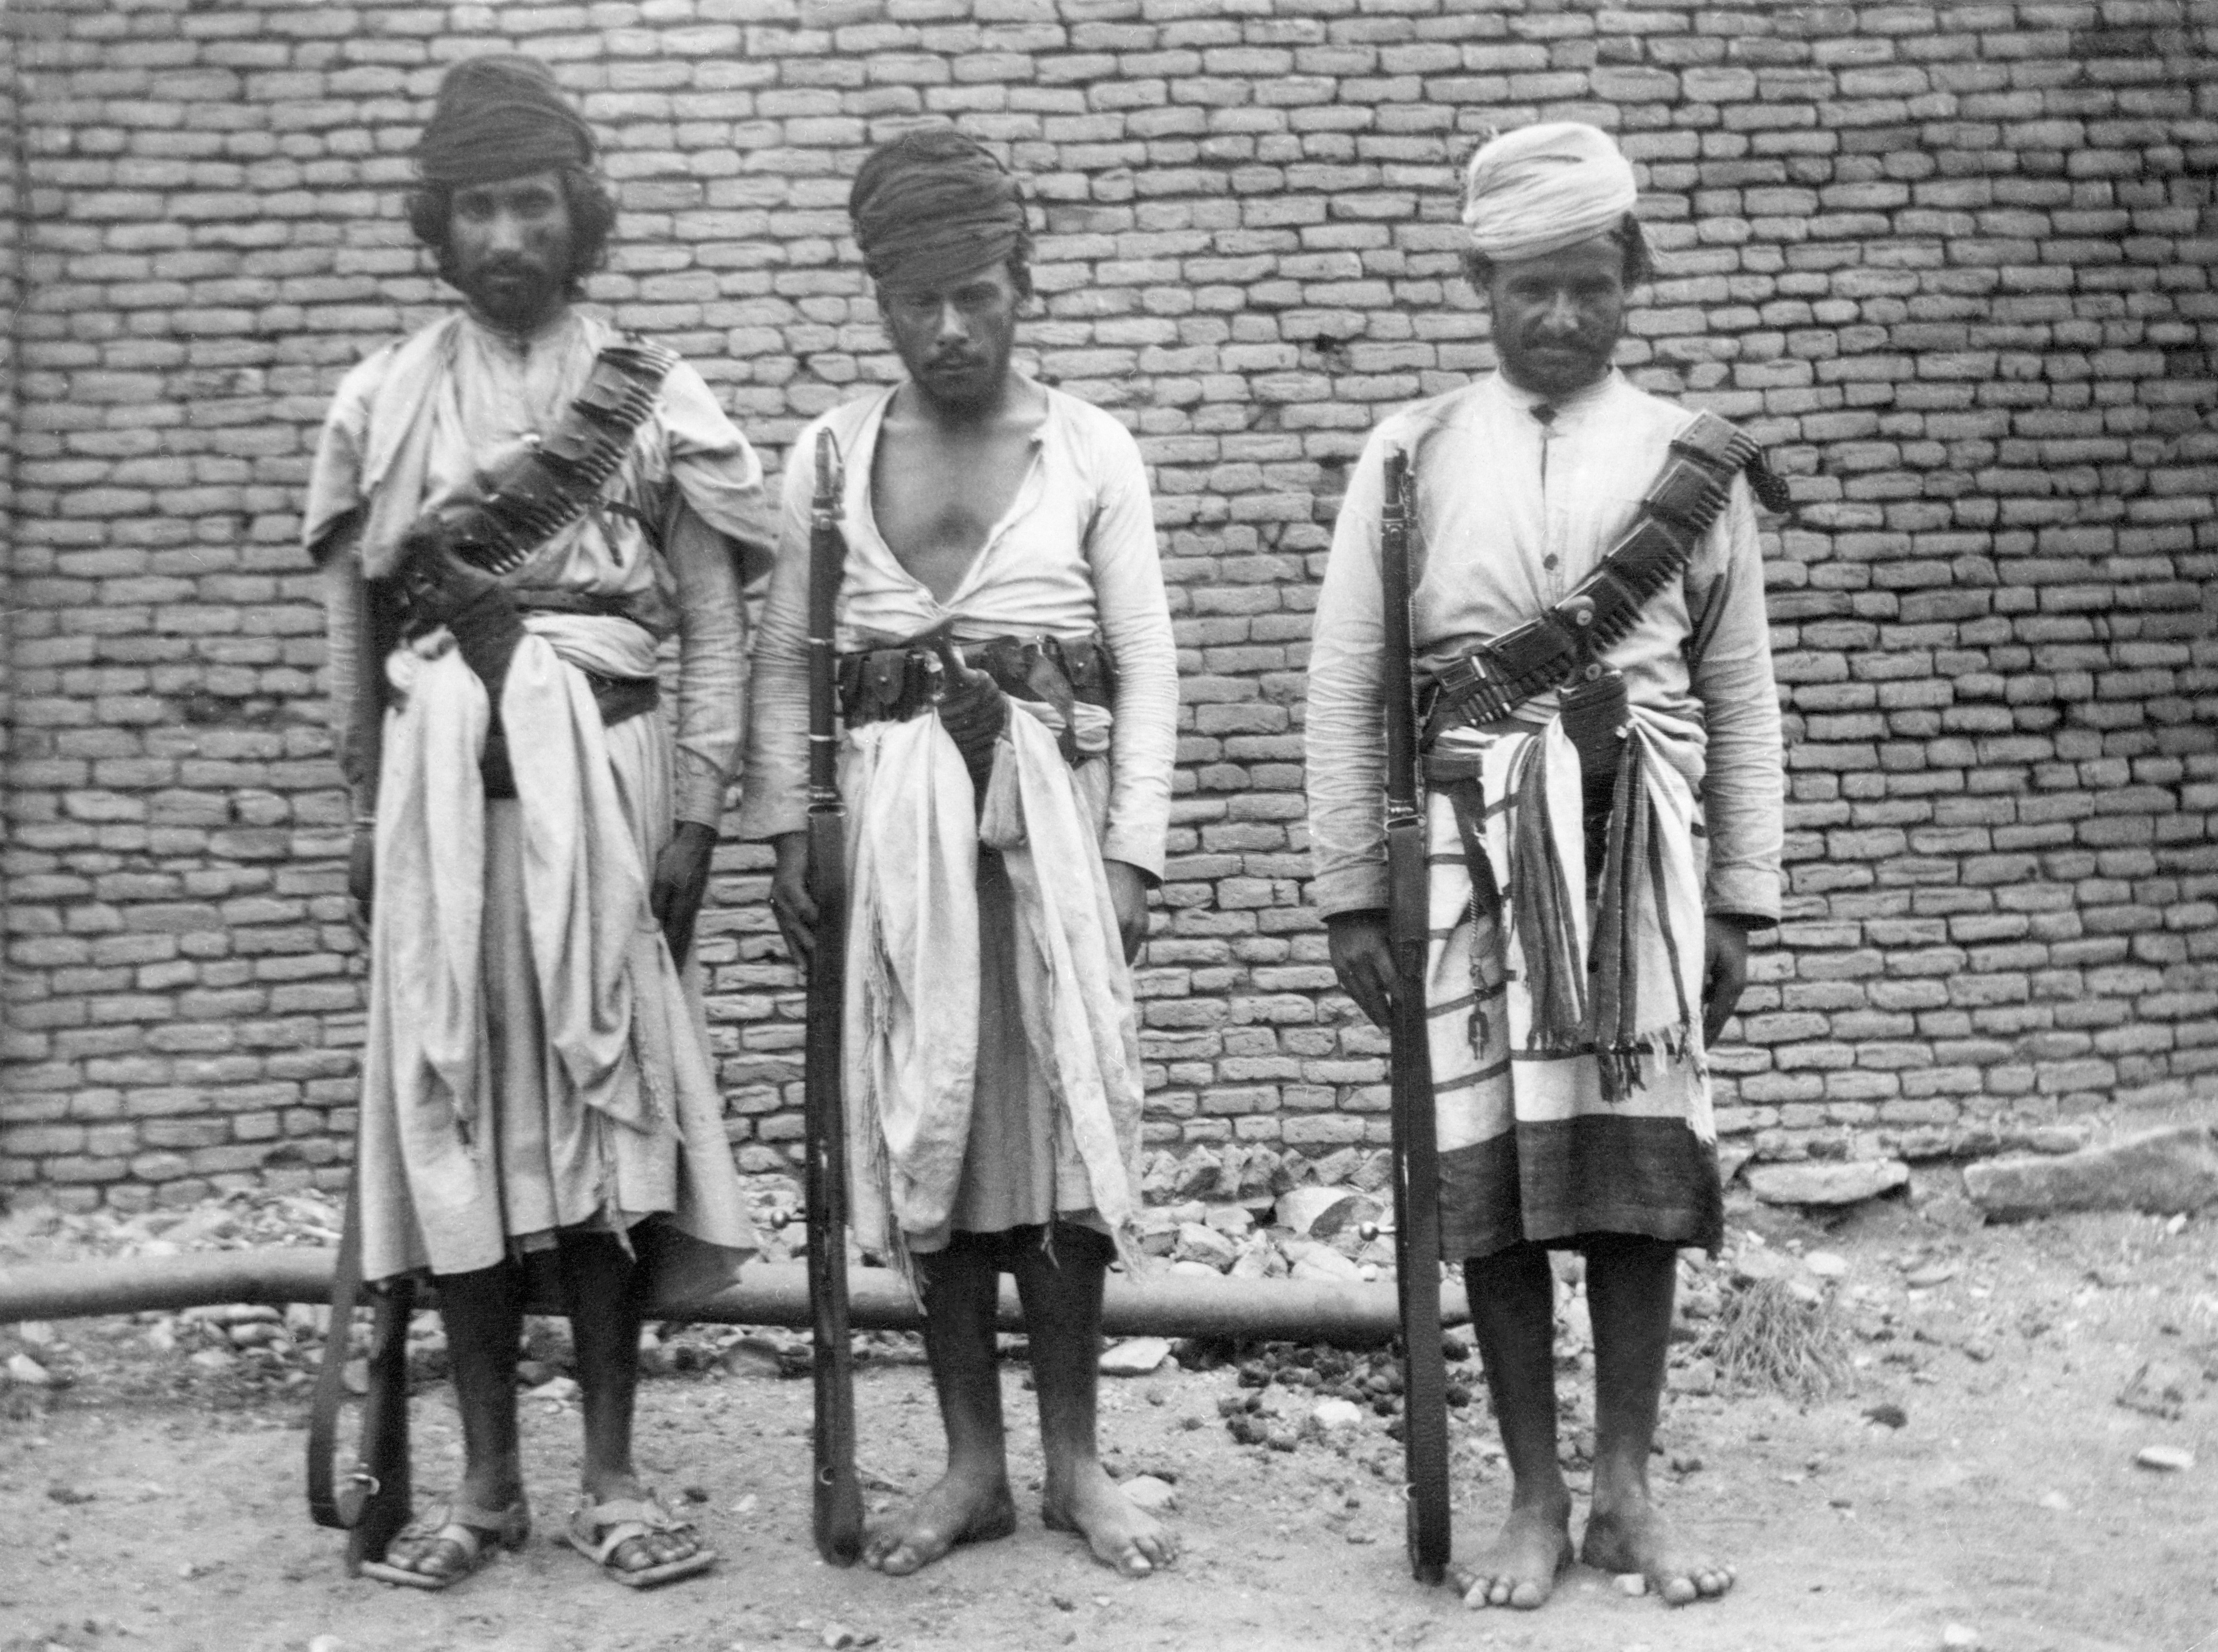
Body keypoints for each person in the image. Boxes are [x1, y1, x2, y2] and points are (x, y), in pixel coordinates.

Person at [1304, 122, 1784, 1611]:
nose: (1564, 315)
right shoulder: (1411, 453)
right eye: (1531, 288)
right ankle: (1531, 1493)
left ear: (1631, 275)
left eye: (1591, 283)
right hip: (1466, 858)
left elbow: (1741, 691)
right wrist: (1353, 891)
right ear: (1482, 285)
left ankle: (1628, 1489)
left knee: (1636, 1168)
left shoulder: (1692, 462)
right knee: (1490, 1177)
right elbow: (1349, 685)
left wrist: (1741, 896)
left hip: (1640, 848)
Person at [302, 54, 764, 1591]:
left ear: (581, 214)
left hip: (611, 792)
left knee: (604, 1115)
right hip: (441, 808)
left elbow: (713, 618)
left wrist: (702, 807)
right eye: (479, 208)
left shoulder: (654, 394)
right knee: (457, 1124)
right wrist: (362, 809)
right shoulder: (382, 400)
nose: (508, 236)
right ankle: (486, 1484)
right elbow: (353, 633)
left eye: (534, 204)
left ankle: (615, 1477)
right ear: (438, 225)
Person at [739, 127, 1180, 1580]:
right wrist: (790, 831)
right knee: (925, 1120)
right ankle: (972, 1463)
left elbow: (1148, 666)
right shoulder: (828, 455)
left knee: (1060, 1137)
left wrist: (1130, 858)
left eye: (975, 296)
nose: (948, 329)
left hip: (1048, 835)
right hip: (896, 844)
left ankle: (1077, 1462)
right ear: (880, 301)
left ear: (1020, 284)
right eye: (917, 302)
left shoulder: (1091, 449)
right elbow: (788, 665)